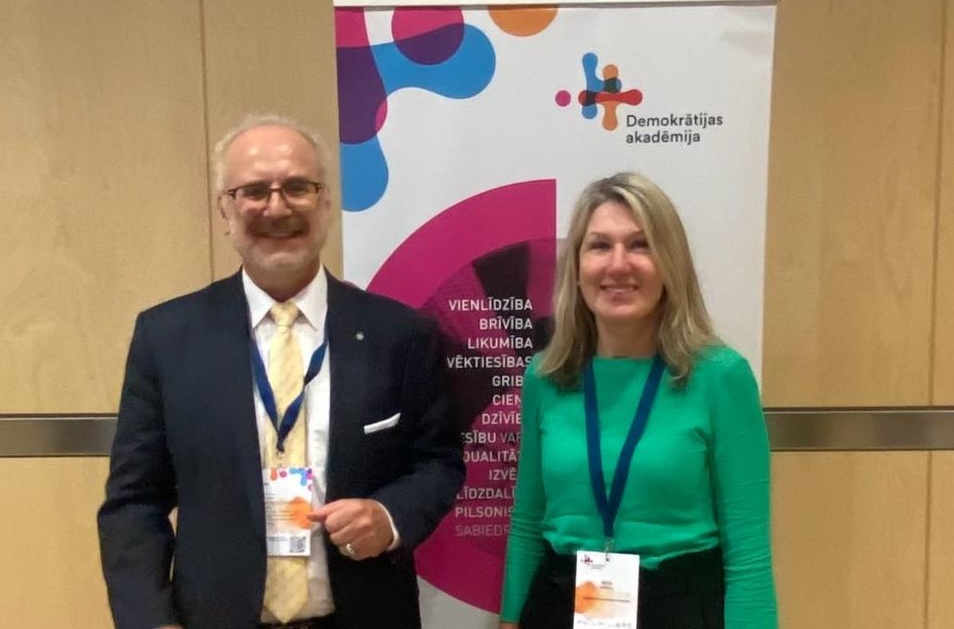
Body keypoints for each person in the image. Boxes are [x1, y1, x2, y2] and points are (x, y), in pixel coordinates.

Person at [98, 114, 464, 629]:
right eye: (253, 191)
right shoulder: (167, 337)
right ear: (225, 210)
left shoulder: (400, 335)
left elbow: (438, 462)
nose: (277, 207)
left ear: (326, 202)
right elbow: (134, 502)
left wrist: (389, 517)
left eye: (297, 187)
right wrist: (150, 620)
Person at [499, 173, 777, 628]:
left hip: (680, 606)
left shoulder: (719, 376)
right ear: (577, 266)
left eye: (640, 245)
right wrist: (510, 620)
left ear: (670, 263)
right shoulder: (546, 376)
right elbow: (528, 522)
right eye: (599, 246)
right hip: (558, 603)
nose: (618, 264)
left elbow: (748, 552)